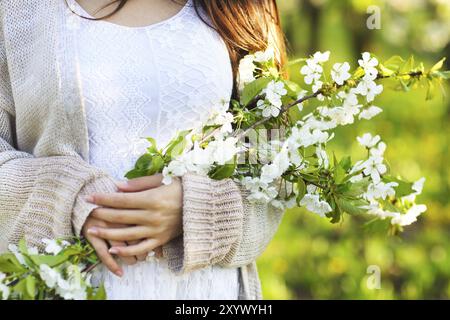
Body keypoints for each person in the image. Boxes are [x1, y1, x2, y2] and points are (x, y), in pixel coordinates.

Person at [0, 0, 286, 299]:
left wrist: (201, 208)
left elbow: (274, 166)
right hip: (71, 284)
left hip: (205, 292)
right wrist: (65, 201)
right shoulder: (18, 9)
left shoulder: (239, 6)